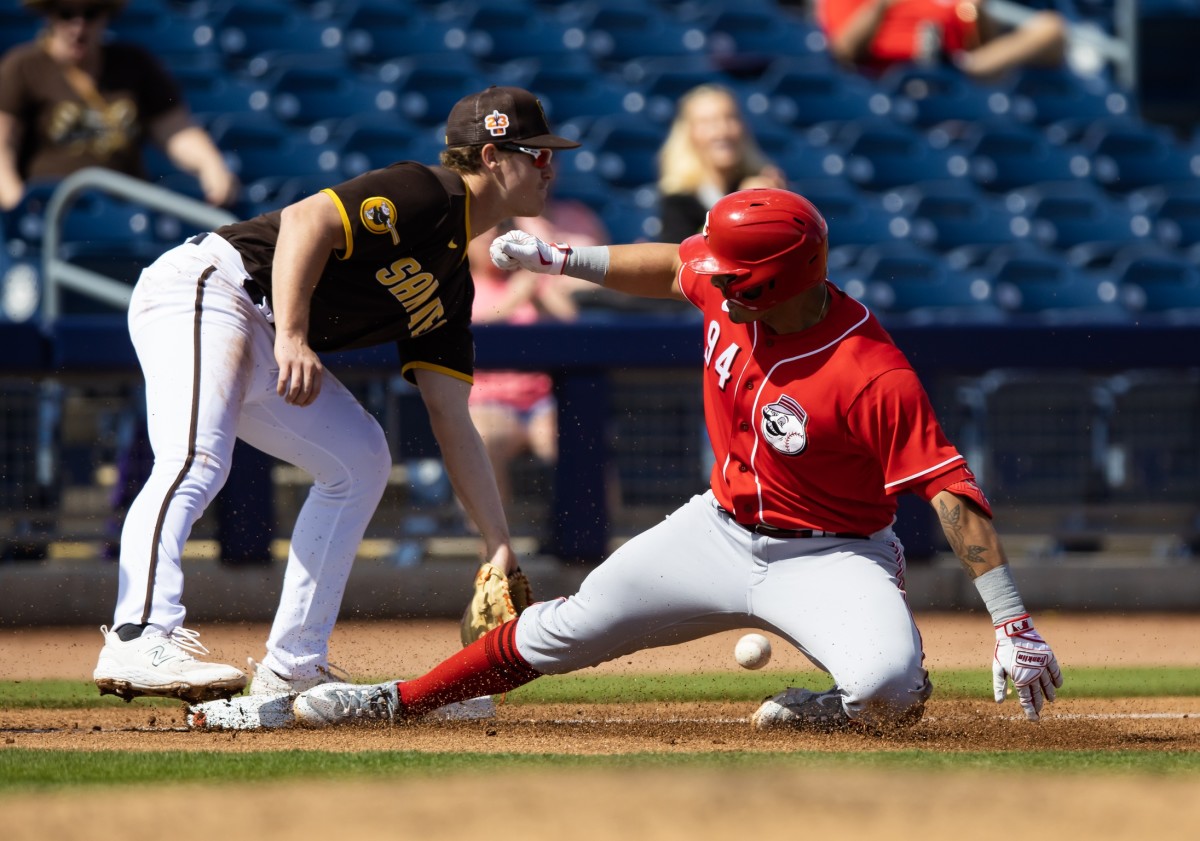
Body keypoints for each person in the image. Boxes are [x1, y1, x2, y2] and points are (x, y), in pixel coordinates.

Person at [289, 187, 1063, 733]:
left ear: (784, 279)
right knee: (565, 630)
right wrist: (560, 259)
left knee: (889, 689)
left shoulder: (870, 372)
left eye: (735, 277)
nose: (717, 283)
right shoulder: (732, 285)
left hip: (833, 553)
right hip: (717, 529)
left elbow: (948, 489)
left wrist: (1012, 619)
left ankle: (841, 707)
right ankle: (402, 699)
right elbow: (669, 265)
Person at [91, 85, 580, 709]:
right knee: (195, 457)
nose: (550, 166)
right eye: (534, 154)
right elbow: (306, 220)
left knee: (360, 459)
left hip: (264, 328)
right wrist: (294, 336)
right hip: (212, 289)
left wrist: (497, 542)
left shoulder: (453, 283)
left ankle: (294, 663)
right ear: (490, 156)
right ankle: (138, 633)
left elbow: (450, 416)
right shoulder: (430, 191)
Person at [0, 0, 238, 211]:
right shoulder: (23, 67)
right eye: (65, 13)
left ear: (106, 15)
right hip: (52, 211)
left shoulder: (134, 64)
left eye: (91, 13)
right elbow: (3, 144)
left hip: (127, 210)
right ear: (48, 14)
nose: (78, 25)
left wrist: (211, 165)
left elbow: (175, 131)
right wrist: (16, 203)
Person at [466, 212, 596, 523]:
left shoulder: (528, 282)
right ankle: (491, 540)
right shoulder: (461, 286)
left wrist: (538, 291)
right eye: (481, 235)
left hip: (540, 400)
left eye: (494, 233)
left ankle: (586, 531)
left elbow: (573, 329)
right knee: (482, 441)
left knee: (576, 437)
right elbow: (470, 331)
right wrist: (515, 299)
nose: (488, 241)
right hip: (489, 400)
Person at [656, 84, 787, 245]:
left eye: (730, 118)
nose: (722, 131)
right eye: (708, 122)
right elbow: (681, 258)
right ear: (689, 134)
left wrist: (777, 205)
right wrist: (742, 208)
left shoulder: (762, 184)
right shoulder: (679, 202)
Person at [817, 0, 1067, 81]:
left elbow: (977, 38)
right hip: (894, 77)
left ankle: (964, 69)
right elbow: (844, 49)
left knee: (1050, 26)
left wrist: (978, 12)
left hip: (955, 65)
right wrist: (881, 5)